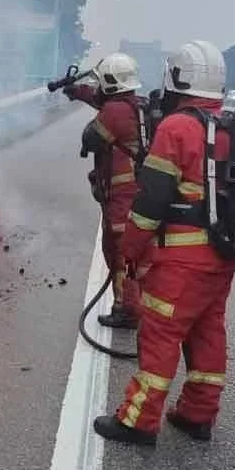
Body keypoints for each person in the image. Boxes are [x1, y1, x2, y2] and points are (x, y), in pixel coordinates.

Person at [92, 39, 235, 445]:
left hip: (180, 260)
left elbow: (152, 199)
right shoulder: (226, 128)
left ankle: (138, 421)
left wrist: (131, 248)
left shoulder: (177, 127)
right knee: (207, 332)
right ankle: (198, 413)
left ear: (176, 78)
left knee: (160, 335)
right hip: (220, 257)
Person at [64, 52, 146, 329]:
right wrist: (79, 92)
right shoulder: (133, 103)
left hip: (123, 198)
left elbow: (92, 137)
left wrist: (93, 103)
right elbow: (104, 101)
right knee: (122, 252)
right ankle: (126, 306)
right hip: (133, 194)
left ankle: (130, 310)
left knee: (122, 253)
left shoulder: (114, 111)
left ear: (110, 83)